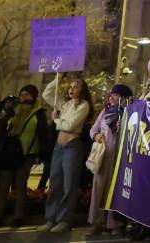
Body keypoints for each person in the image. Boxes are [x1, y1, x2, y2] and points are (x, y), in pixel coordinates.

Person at [0, 84, 46, 228]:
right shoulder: (13, 111)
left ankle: (18, 216)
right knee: (4, 185)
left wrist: (41, 153)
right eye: (22, 94)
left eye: (27, 94)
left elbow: (43, 133)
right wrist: (5, 111)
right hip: (9, 152)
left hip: (27, 154)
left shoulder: (38, 112)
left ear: (33, 96)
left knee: (20, 185)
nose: (23, 97)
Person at [39, 76, 93, 233]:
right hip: (58, 148)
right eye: (70, 86)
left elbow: (70, 126)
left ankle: (64, 220)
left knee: (68, 185)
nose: (71, 89)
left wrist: (56, 120)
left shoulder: (84, 105)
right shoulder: (66, 104)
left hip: (72, 147)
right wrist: (58, 77)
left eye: (76, 87)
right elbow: (47, 94)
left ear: (82, 90)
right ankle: (50, 219)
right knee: (55, 184)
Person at [87, 84, 132, 235]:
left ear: (124, 98)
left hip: (121, 157)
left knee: (116, 190)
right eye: (111, 94)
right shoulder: (105, 112)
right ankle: (96, 222)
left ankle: (115, 224)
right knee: (99, 189)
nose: (111, 97)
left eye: (116, 95)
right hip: (104, 156)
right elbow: (93, 130)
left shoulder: (129, 112)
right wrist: (97, 136)